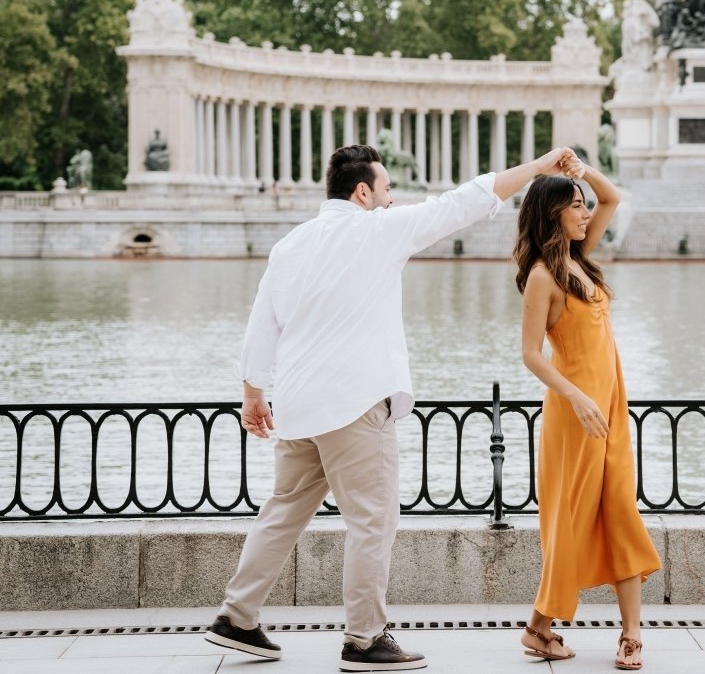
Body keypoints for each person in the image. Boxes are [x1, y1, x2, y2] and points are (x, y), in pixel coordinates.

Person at [205, 143, 577, 671]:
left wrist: (252, 392)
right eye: (385, 189)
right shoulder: (378, 230)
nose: (391, 197)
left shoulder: (291, 243)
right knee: (372, 523)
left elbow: (262, 323)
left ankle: (236, 616)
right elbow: (464, 201)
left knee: (282, 512)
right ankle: (365, 639)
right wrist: (538, 167)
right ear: (363, 192)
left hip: (298, 402)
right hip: (355, 402)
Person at [513, 158, 661, 671]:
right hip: (575, 413)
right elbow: (530, 354)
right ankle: (539, 626)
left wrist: (584, 169)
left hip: (609, 405)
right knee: (571, 519)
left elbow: (612, 197)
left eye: (582, 205)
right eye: (575, 206)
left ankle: (631, 633)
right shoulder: (542, 276)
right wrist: (575, 397)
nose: (584, 213)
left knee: (619, 507)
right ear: (552, 214)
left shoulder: (580, 257)